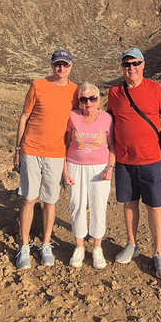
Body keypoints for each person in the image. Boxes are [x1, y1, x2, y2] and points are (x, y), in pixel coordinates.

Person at [107, 47, 161, 279]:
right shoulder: (115, 92)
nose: (131, 68)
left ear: (143, 65)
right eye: (127, 64)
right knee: (129, 204)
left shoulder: (156, 89)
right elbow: (108, 124)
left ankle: (158, 252)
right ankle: (132, 244)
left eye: (135, 63)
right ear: (122, 68)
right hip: (125, 160)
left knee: (155, 206)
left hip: (151, 160)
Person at [14, 49, 78, 269]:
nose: (61, 68)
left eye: (65, 65)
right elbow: (25, 117)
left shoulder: (75, 91)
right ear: (52, 66)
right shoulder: (38, 85)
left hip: (56, 153)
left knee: (50, 200)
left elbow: (76, 123)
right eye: (57, 64)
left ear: (71, 66)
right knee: (29, 199)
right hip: (31, 149)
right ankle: (24, 247)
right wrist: (17, 148)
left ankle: (46, 244)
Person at [62, 82, 115, 269]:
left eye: (92, 98)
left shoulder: (107, 118)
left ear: (99, 99)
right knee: (76, 205)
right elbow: (65, 144)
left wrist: (110, 166)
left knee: (98, 205)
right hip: (75, 165)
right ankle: (79, 246)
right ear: (79, 101)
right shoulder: (72, 117)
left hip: (100, 168)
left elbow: (112, 146)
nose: (88, 103)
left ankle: (97, 247)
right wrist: (65, 170)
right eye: (84, 99)